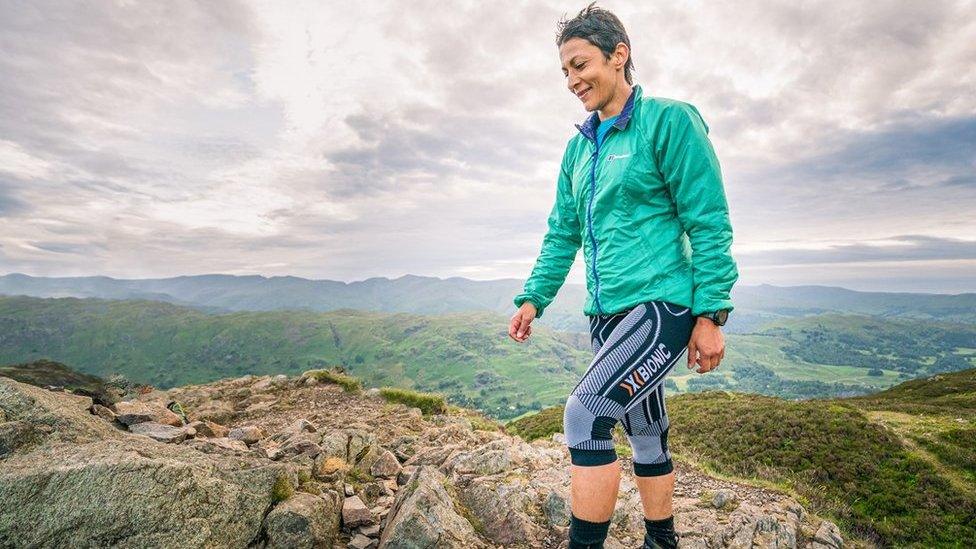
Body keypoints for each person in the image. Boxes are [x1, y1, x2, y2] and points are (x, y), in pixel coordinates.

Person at [507, 3, 739, 548]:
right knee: (645, 432)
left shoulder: (669, 121)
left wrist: (711, 314)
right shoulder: (577, 151)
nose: (572, 80)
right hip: (606, 315)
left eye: (580, 64)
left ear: (619, 56)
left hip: (662, 307)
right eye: (564, 71)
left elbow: (707, 220)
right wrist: (533, 298)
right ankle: (662, 541)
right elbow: (563, 233)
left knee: (585, 415)